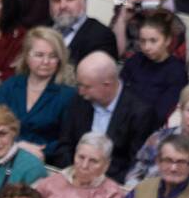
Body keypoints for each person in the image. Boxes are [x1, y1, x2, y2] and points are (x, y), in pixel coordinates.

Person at [54, 51, 160, 182]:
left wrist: (100, 183)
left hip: (113, 185)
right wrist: (76, 173)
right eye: (79, 85)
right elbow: (64, 145)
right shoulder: (79, 101)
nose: (81, 91)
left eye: (87, 87)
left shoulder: (140, 113)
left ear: (107, 84)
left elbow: (136, 165)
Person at [0, 25, 75, 163]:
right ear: (26, 56)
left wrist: (39, 150)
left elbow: (67, 140)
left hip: (44, 163)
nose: (46, 62)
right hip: (3, 155)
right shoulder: (11, 86)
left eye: (53, 56)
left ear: (60, 60)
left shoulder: (68, 95)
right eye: (39, 55)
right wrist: (17, 146)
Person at [107, 0, 184, 63]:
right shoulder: (123, 14)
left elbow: (173, 64)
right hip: (123, 68)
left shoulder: (173, 23)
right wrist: (122, 20)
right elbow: (114, 54)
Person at [120, 12, 187, 123]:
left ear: (167, 40)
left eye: (153, 41)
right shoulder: (135, 60)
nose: (147, 47)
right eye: (143, 41)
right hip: (123, 118)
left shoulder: (177, 71)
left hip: (150, 125)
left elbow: (163, 111)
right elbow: (119, 92)